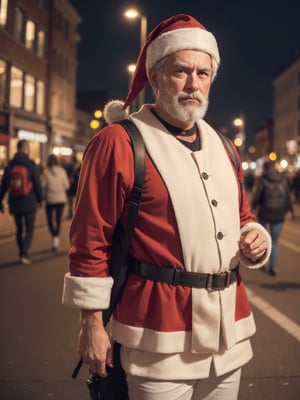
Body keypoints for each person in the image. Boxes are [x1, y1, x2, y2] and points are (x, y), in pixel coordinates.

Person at [62, 14, 272, 400]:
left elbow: (243, 216)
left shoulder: (225, 147)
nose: (194, 84)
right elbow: (91, 239)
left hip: (230, 336)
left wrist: (254, 236)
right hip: (157, 338)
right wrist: (91, 324)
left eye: (203, 74)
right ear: (155, 76)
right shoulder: (119, 142)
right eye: (181, 71)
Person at [0, 139, 42, 264]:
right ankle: (24, 253)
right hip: (30, 202)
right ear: (25, 149)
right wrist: (40, 200)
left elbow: (4, 185)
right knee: (29, 229)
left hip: (15, 202)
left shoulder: (10, 165)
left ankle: (21, 252)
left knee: (19, 229)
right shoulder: (31, 165)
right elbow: (37, 184)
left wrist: (1, 200)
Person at [252, 160, 294, 276]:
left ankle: (263, 262)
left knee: (264, 239)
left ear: (265, 168)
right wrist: (291, 211)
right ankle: (273, 267)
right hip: (279, 213)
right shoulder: (283, 179)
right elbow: (287, 196)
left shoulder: (263, 179)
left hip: (265, 212)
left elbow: (258, 195)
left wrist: (253, 206)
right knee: (275, 241)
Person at [41, 154, 70, 251]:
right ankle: (56, 239)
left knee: (50, 221)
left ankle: (54, 236)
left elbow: (43, 185)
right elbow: (66, 185)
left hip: (50, 199)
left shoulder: (46, 173)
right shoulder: (62, 172)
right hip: (61, 199)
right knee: (58, 221)